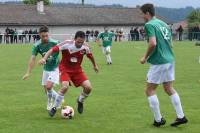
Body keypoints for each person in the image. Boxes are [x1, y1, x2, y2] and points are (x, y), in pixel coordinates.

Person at [139, 3, 188, 127]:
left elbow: (153, 43)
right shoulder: (163, 23)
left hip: (159, 61)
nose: (141, 16)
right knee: (168, 88)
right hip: (170, 59)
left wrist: (145, 57)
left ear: (147, 13)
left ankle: (158, 119)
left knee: (149, 89)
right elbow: (171, 43)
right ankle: (181, 116)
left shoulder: (149, 24)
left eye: (142, 14)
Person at [38, 31, 99, 117]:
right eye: (78, 42)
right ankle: (55, 108)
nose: (80, 44)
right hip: (65, 69)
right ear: (74, 39)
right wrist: (44, 58)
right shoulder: (67, 44)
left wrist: (95, 65)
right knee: (65, 87)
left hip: (77, 70)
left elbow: (90, 56)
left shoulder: (85, 47)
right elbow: (52, 50)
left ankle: (80, 101)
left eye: (82, 42)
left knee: (88, 88)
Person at [22, 25, 60, 111]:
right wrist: (28, 72)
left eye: (47, 35)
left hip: (55, 68)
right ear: (39, 35)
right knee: (46, 89)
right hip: (46, 68)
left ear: (48, 34)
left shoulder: (55, 42)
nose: (45, 38)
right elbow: (32, 58)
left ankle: (59, 99)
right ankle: (50, 101)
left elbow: (67, 46)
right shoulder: (37, 45)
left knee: (48, 87)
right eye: (43, 36)